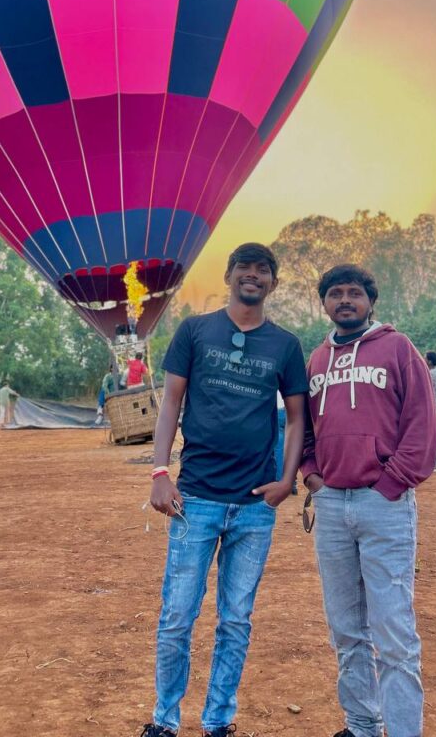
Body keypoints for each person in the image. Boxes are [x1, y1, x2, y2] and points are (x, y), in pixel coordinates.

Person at [140, 242, 308, 737]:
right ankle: (165, 722)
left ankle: (218, 722)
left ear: (273, 283)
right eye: (244, 269)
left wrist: (287, 479)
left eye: (263, 271)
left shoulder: (286, 345)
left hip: (255, 506)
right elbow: (171, 402)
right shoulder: (195, 331)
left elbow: (297, 418)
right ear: (229, 276)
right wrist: (158, 472)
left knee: (235, 621)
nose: (252, 277)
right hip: (196, 498)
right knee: (177, 618)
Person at [301, 263, 436, 737]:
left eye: (354, 293)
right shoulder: (317, 359)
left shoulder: (398, 349)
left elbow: (422, 426)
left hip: (385, 504)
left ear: (370, 301)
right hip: (333, 506)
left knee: (393, 632)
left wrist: (390, 484)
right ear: (324, 303)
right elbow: (303, 429)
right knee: (345, 629)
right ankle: (362, 725)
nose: (345, 300)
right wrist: (312, 476)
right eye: (335, 293)